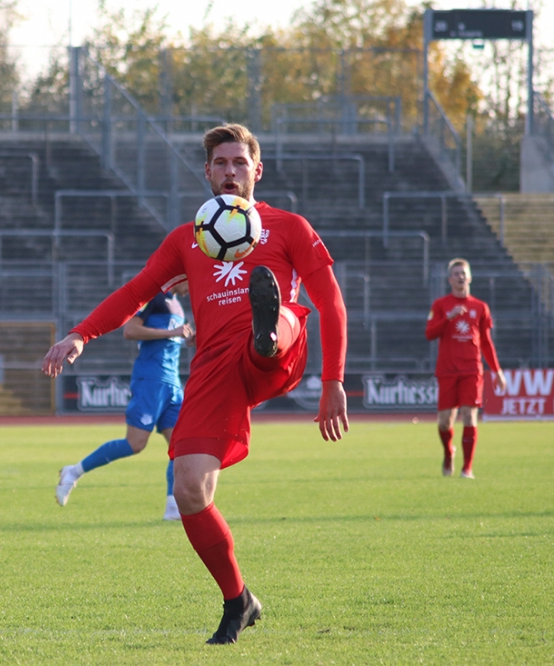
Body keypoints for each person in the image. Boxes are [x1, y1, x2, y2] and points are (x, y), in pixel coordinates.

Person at [42, 123, 348, 645]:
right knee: (189, 487)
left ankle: (266, 329)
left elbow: (332, 303)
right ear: (207, 172)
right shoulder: (186, 240)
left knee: (282, 320)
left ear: (257, 169)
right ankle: (238, 600)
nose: (230, 171)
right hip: (212, 370)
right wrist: (80, 334)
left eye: (239, 162)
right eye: (220, 164)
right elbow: (136, 292)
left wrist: (334, 381)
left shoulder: (289, 227)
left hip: (276, 350)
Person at [55, 281, 195, 521]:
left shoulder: (178, 305)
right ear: (180, 275)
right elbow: (130, 329)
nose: (191, 288)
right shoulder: (155, 297)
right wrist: (171, 333)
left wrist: (186, 339)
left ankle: (173, 508)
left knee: (181, 447)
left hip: (172, 381)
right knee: (135, 443)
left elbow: (170, 339)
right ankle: (74, 471)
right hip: (151, 378)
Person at [426, 258, 506, 479]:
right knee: (444, 422)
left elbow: (487, 342)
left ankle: (467, 468)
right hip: (447, 370)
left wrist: (497, 370)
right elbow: (430, 333)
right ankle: (448, 451)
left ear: (470, 277)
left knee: (470, 417)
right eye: (456, 273)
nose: (461, 277)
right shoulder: (440, 305)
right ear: (450, 279)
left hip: (472, 370)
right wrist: (448, 318)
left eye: (464, 273)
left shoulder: (480, 307)